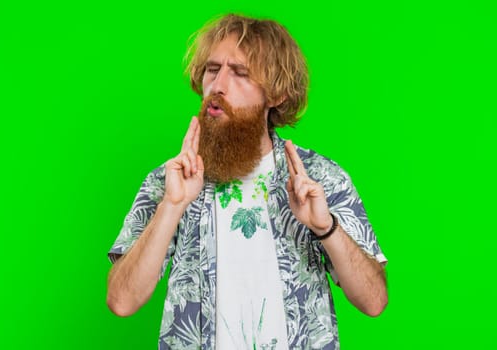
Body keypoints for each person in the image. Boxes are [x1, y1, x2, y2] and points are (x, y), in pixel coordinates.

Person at [107, 14, 388, 350]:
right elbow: (121, 301)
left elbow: (374, 301)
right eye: (212, 70)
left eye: (240, 73)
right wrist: (171, 206)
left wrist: (326, 227)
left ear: (277, 95)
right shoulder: (171, 181)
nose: (218, 86)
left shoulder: (319, 178)